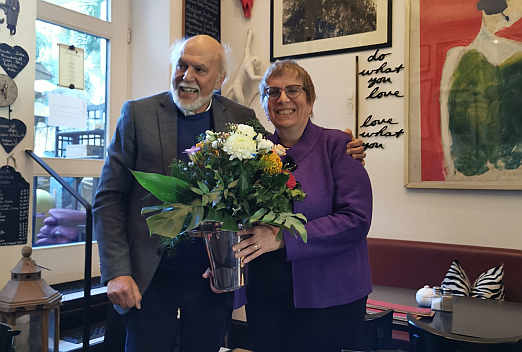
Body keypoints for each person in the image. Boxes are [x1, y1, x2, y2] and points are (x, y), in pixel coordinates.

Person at [94, 35, 366, 352]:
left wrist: (341, 146)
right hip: (151, 276)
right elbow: (109, 198)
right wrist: (117, 272)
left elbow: (282, 160)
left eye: (200, 69)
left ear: (220, 79)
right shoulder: (137, 115)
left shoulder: (239, 118)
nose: (187, 76)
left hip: (214, 278)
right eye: (181, 65)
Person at [233, 60, 373, 352]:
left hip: (329, 296)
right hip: (268, 295)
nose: (282, 99)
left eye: (293, 90)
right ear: (264, 103)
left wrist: (283, 238)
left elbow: (356, 220)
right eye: (272, 92)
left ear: (310, 101)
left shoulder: (339, 146)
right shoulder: (254, 153)